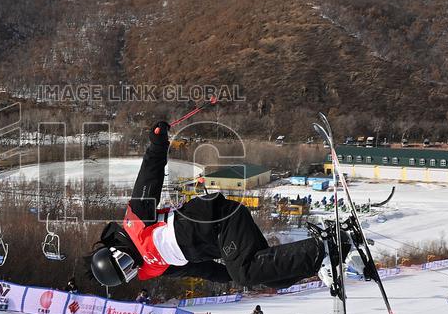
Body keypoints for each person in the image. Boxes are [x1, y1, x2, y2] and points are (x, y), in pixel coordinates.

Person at [88, 121, 363, 289]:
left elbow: (149, 179)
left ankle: (325, 245)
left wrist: (157, 144)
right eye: (129, 272)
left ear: (116, 250)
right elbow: (200, 269)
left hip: (217, 219)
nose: (132, 266)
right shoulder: (154, 267)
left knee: (246, 273)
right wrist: (230, 277)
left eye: (124, 262)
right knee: (267, 277)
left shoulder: (136, 226)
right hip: (222, 238)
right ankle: (329, 258)